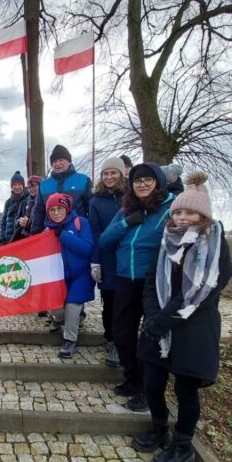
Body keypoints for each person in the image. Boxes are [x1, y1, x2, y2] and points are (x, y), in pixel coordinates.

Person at [132, 171, 232, 462]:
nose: (182, 217)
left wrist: (162, 320)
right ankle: (159, 426)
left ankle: (183, 445)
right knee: (151, 382)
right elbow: (151, 282)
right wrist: (152, 315)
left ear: (202, 215)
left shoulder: (214, 247)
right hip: (158, 325)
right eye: (178, 211)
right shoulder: (166, 242)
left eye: (189, 211)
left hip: (193, 328)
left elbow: (199, 291)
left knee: (187, 389)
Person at [98, 163, 175, 412]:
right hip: (124, 278)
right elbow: (105, 240)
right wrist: (127, 223)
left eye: (147, 179)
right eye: (137, 180)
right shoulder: (126, 210)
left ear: (158, 182)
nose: (142, 184)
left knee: (150, 337)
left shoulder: (170, 209)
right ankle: (132, 379)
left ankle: (147, 389)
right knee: (122, 333)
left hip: (152, 280)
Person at [43, 193, 94, 359]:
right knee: (56, 307)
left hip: (81, 274)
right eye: (52, 210)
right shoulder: (47, 230)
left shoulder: (81, 223)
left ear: (67, 209)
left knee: (72, 305)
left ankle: (69, 340)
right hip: (59, 276)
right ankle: (61, 318)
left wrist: (62, 235)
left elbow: (87, 249)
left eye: (60, 208)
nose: (56, 213)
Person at [88, 157, 126, 368]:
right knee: (110, 302)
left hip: (128, 257)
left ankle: (125, 341)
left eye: (113, 173)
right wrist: (95, 261)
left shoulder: (130, 197)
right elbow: (94, 232)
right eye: (105, 173)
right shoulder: (96, 201)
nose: (109, 177)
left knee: (127, 303)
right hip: (107, 258)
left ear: (121, 174)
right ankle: (111, 339)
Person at [30, 145, 92, 234]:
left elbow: (90, 209)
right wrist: (35, 232)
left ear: (69, 162)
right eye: (54, 161)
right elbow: (39, 211)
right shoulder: (44, 185)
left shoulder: (83, 180)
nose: (57, 164)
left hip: (77, 233)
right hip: (51, 234)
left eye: (61, 160)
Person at [0, 171, 27, 244]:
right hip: (9, 240)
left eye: (19, 184)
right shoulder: (8, 202)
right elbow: (3, 221)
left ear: (23, 185)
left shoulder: (28, 199)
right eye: (14, 185)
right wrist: (2, 237)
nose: (17, 187)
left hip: (23, 239)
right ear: (11, 187)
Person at [12, 174, 42, 242]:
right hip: (24, 238)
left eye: (34, 186)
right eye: (29, 187)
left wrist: (28, 222)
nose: (31, 189)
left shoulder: (44, 202)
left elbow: (43, 221)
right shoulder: (24, 203)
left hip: (37, 238)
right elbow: (16, 220)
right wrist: (20, 222)